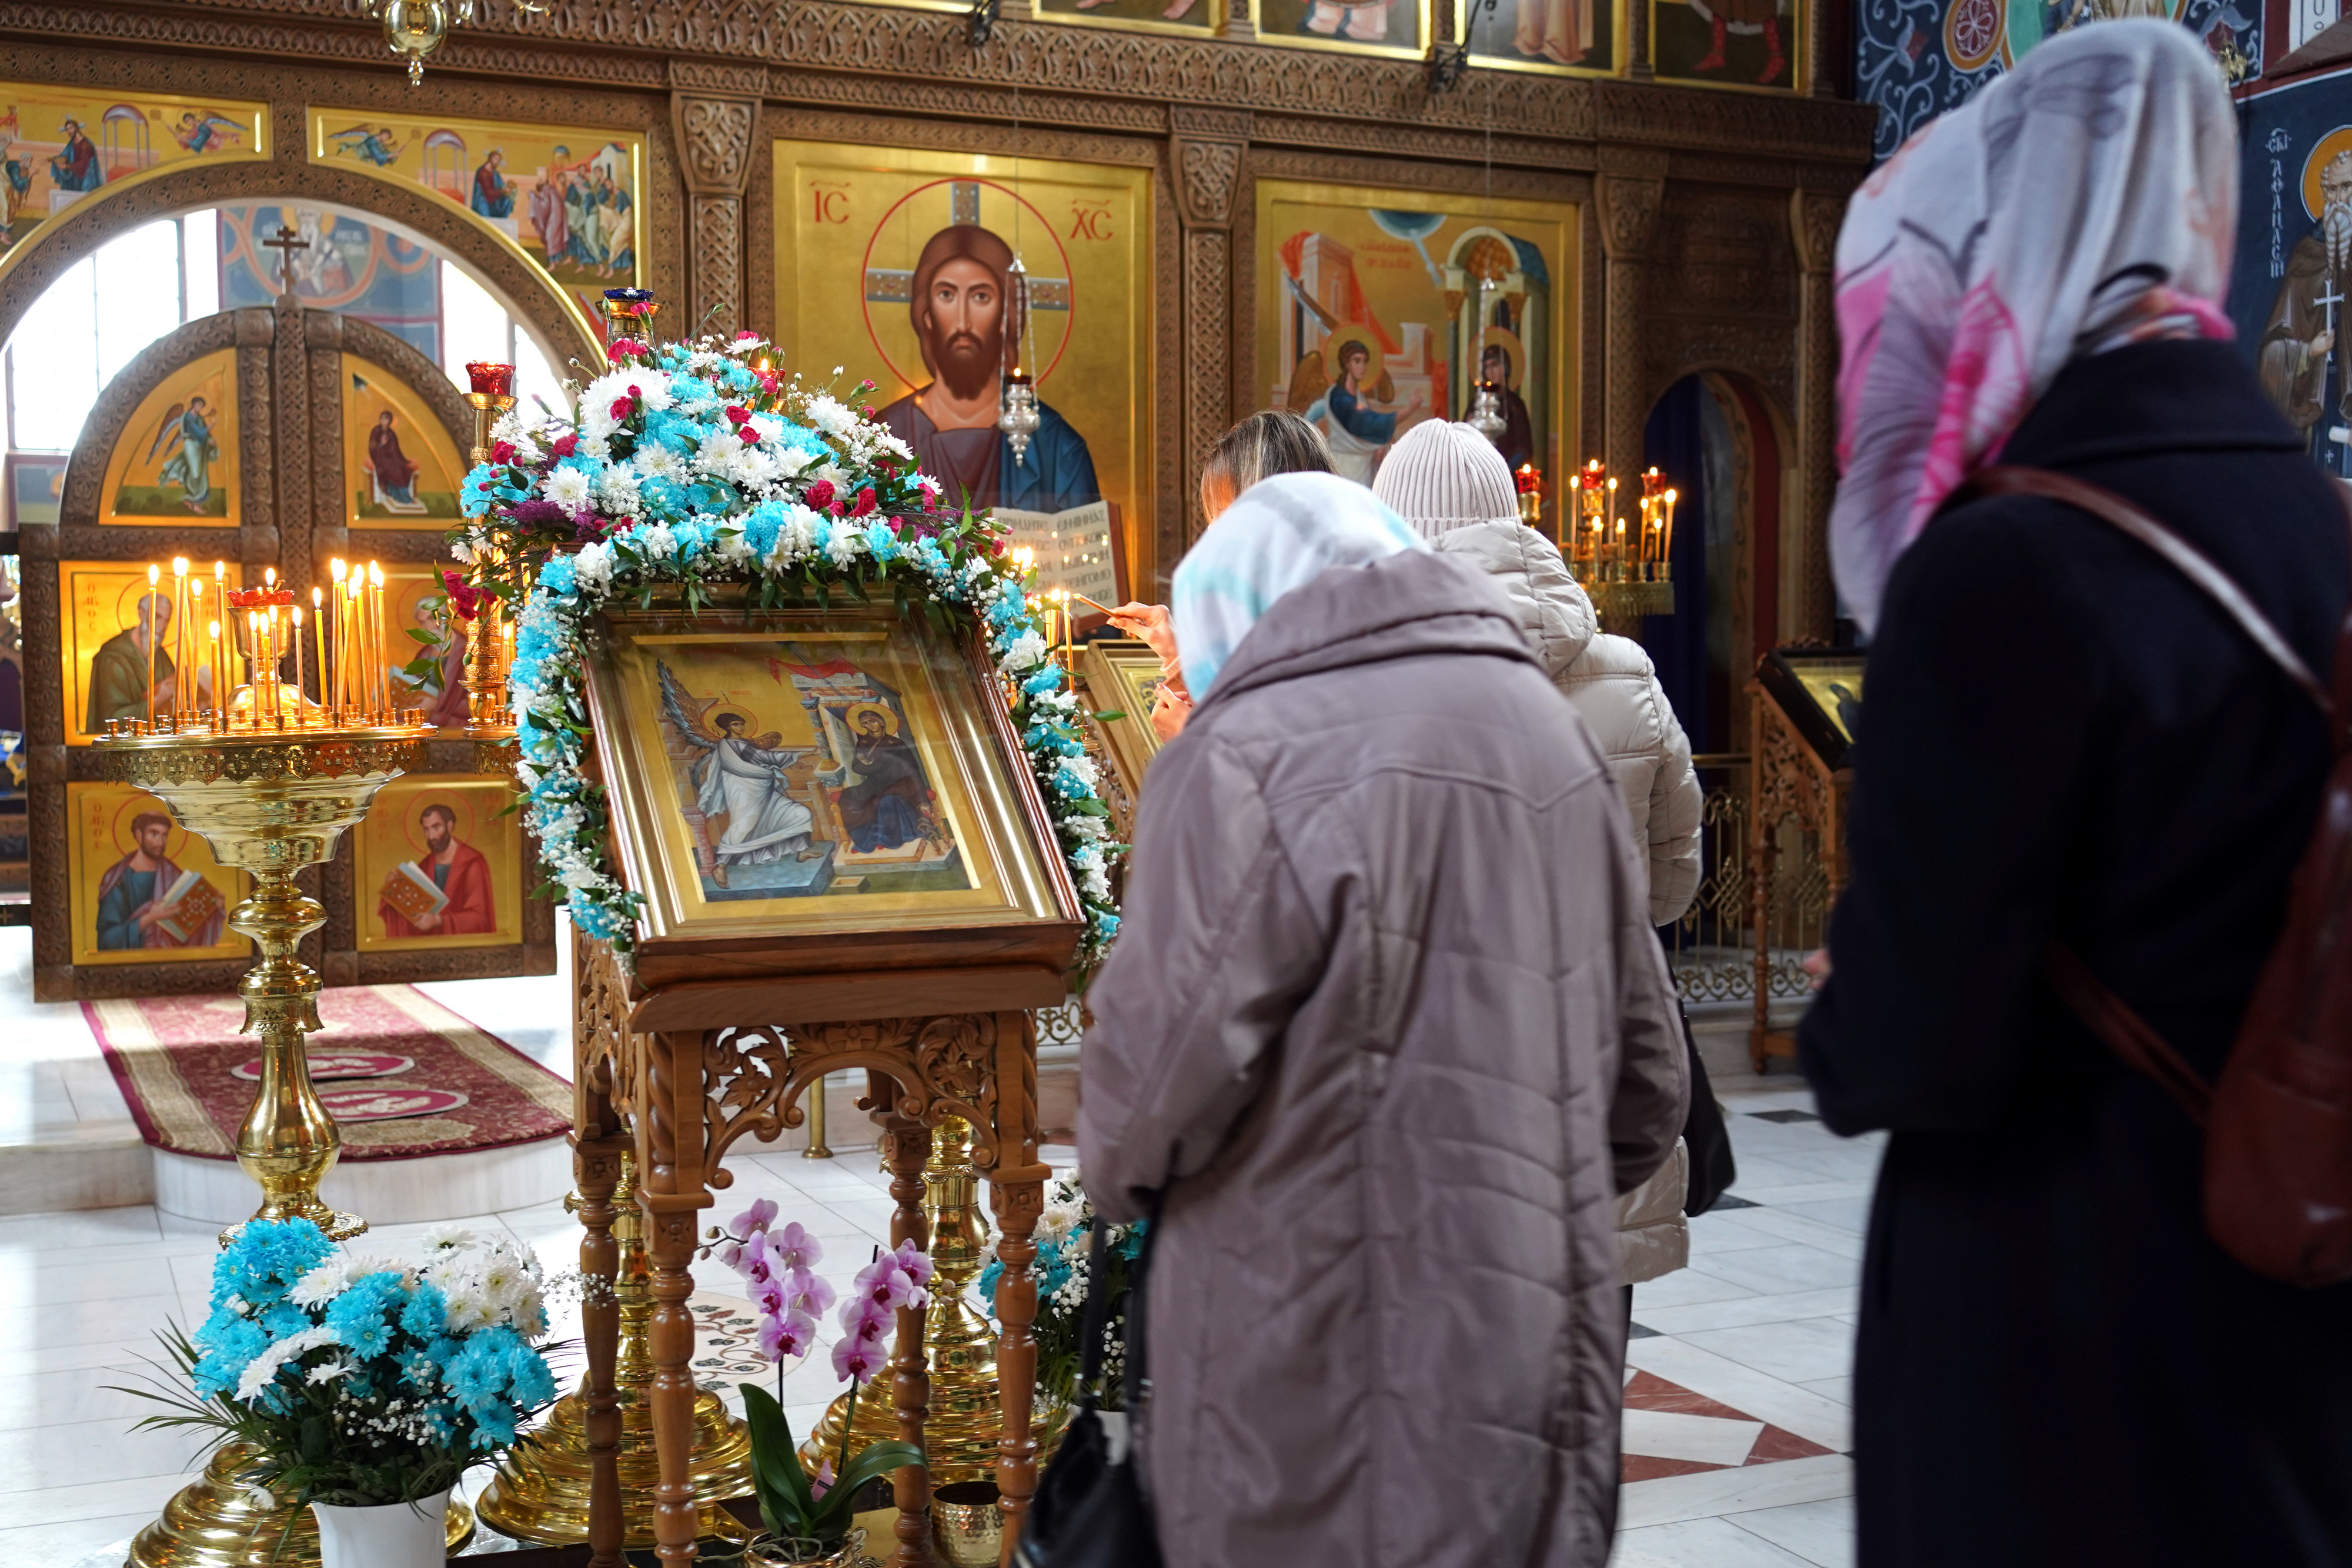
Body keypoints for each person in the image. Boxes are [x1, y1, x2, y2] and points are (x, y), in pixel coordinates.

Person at [1798, 24, 2352, 1566]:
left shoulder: (2004, 563)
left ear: (2012, 238)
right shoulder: (2321, 524)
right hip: (2288, 1296)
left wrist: (1854, 1001)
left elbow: (1915, 1054)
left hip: (2060, 1343)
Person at [1080, 472, 1686, 1568]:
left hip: (1302, 1372)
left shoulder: (1240, 756)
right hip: (1531, 1361)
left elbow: (1136, 1114)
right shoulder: (1550, 736)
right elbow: (1648, 1088)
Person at [1374, 417, 1713, 1275]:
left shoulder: (1369, 684)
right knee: (1591, 1391)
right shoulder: (1626, 673)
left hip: (1445, 1103)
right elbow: (1675, 883)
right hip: (1608, 1086)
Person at [1102, 410, 1334, 741]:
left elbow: (1295, 761)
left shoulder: (1323, 619)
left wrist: (1194, 736)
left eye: (1228, 517)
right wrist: (1177, 653)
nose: (1215, 539)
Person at [876, 223, 1100, 514]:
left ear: (1005, 317)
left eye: (981, 297)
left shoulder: (1057, 448)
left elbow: (1087, 552)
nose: (963, 322)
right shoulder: (884, 437)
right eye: (947, 295)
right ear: (927, 314)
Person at [95, 812, 220, 950]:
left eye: (165, 835)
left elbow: (187, 927)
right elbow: (107, 939)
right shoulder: (118, 880)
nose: (161, 842)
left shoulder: (173, 875)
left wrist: (211, 905)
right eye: (154, 834)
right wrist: (149, 918)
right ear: (139, 835)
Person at [378, 803, 496, 938]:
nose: (431, 836)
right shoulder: (424, 867)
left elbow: (480, 919)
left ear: (450, 826)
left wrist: (439, 921)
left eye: (436, 827)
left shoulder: (473, 864)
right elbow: (411, 916)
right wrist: (394, 888)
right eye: (426, 829)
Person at [85, 591, 175, 734]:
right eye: (157, 617)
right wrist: (158, 699)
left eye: (167, 621)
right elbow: (110, 720)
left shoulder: (160, 655)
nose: (162, 627)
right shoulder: (112, 658)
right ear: (141, 613)